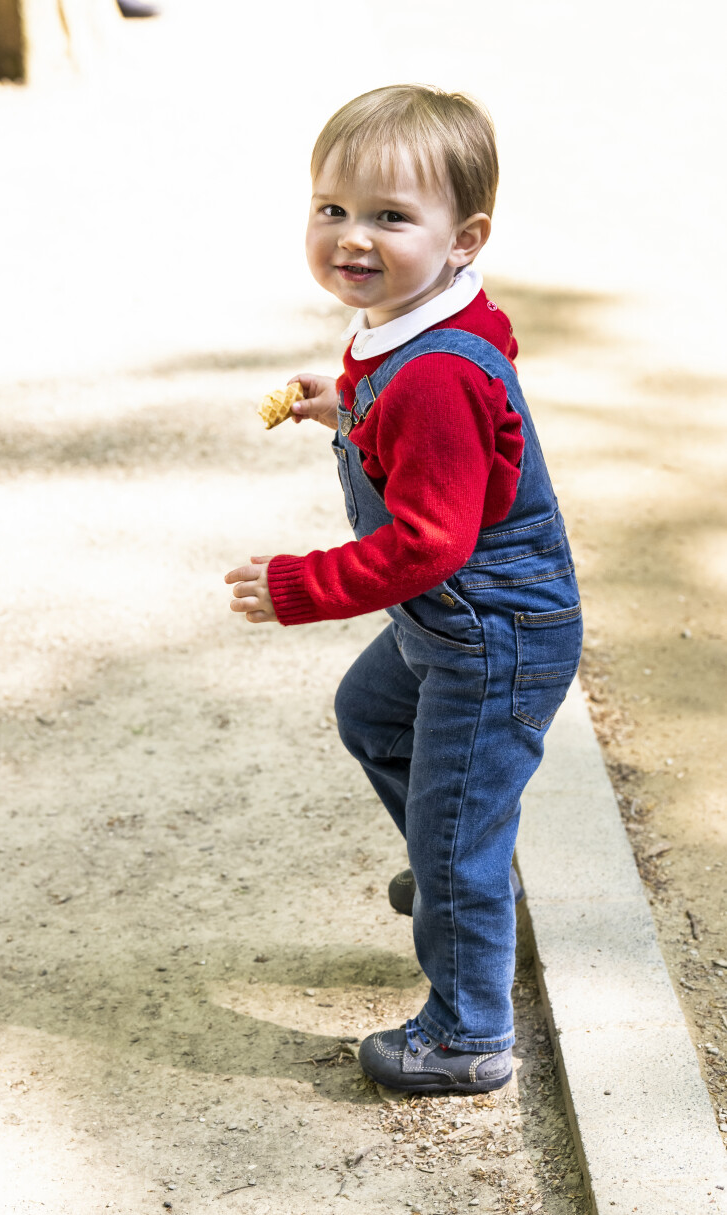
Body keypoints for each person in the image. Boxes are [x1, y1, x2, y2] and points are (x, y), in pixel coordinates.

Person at [225, 84, 582, 1094]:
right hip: (452, 626)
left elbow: (428, 540)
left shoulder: (433, 374)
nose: (352, 237)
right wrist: (347, 408)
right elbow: (424, 429)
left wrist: (300, 586)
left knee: (457, 833)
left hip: (490, 631)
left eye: (391, 216)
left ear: (464, 236)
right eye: (332, 208)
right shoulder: (404, 330)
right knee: (372, 715)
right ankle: (458, 869)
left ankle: (469, 1035)